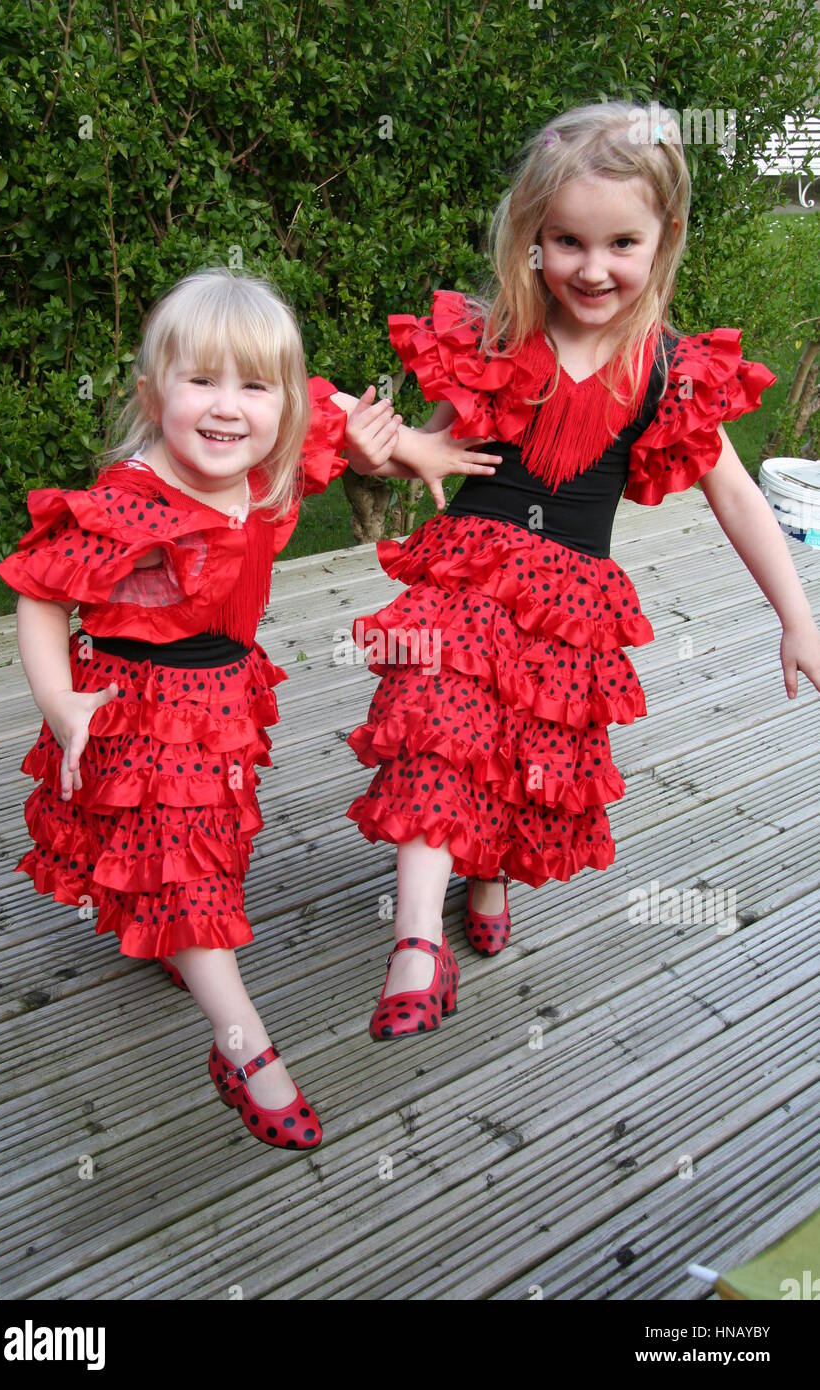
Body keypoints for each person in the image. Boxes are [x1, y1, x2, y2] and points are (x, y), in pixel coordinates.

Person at [340, 100, 820, 1041]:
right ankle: (413, 945)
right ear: (533, 238)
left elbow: (735, 497)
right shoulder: (501, 342)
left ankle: (486, 872)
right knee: (442, 728)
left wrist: (795, 614)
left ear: (663, 239)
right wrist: (382, 453)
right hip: (469, 578)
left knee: (524, 757)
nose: (591, 269)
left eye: (619, 244)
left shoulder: (667, 372)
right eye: (567, 242)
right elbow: (420, 453)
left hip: (571, 602)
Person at [0, 266, 498, 1147]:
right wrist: (61, 703)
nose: (229, 408)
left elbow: (332, 403)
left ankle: (181, 947)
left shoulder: (275, 457)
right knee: (178, 864)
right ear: (154, 396)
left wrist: (411, 447)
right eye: (201, 381)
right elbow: (38, 593)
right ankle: (245, 1047)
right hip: (132, 705)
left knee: (208, 852)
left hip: (225, 694)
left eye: (255, 386)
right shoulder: (128, 503)